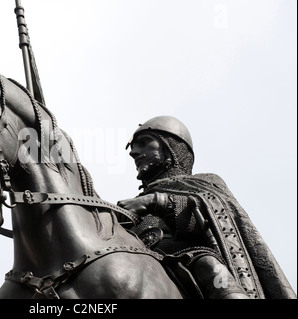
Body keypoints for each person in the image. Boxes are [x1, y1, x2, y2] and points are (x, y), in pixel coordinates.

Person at [117, 115, 296, 299]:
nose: (134, 153)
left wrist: (155, 201)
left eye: (145, 143)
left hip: (192, 262)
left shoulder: (206, 183)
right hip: (144, 268)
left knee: (209, 266)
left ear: (170, 147)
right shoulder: (133, 205)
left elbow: (208, 219)